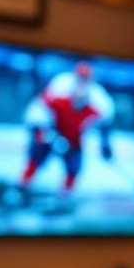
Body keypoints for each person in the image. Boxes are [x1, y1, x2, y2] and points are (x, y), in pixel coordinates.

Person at [20, 61, 115, 194]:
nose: (81, 85)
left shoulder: (98, 101)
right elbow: (38, 109)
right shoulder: (59, 88)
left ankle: (65, 195)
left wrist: (105, 143)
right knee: (36, 155)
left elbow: (105, 122)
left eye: (85, 81)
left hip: (73, 138)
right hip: (52, 131)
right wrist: (40, 129)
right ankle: (23, 185)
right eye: (79, 80)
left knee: (74, 167)